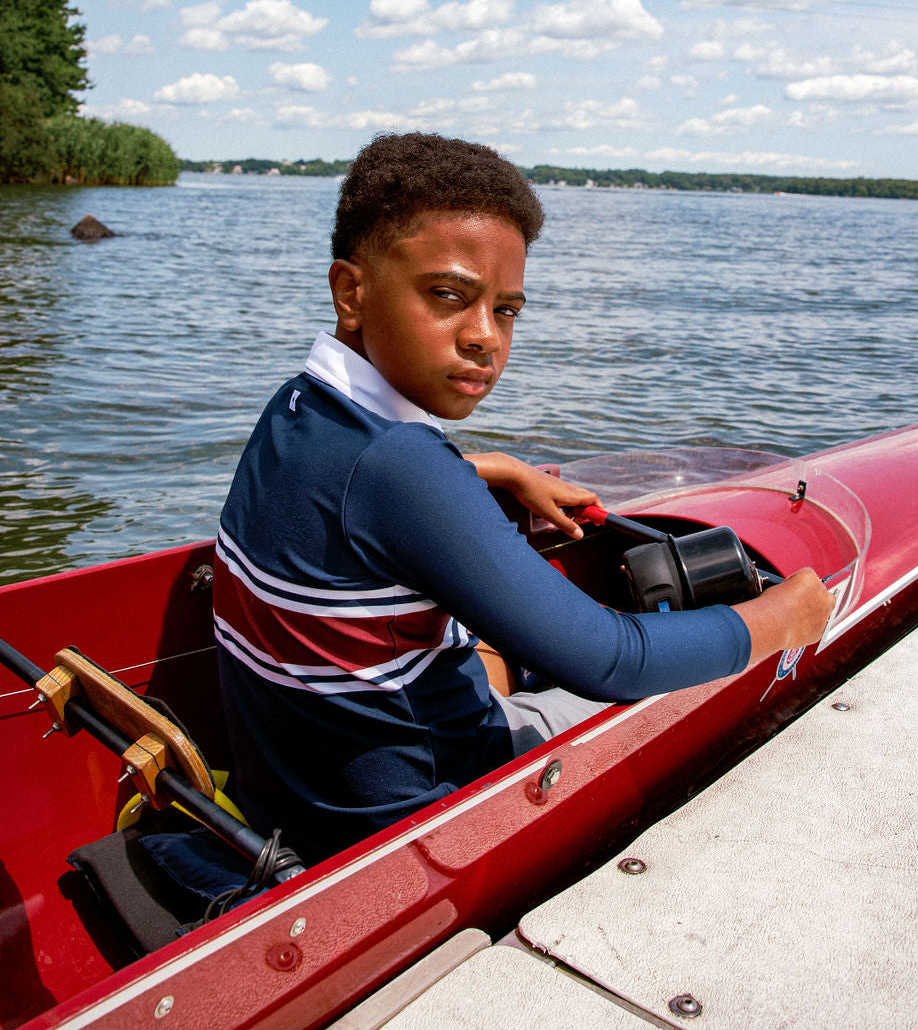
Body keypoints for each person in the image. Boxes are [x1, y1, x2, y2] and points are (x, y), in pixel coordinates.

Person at [213, 132, 833, 864]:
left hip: (303, 800)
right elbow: (612, 661)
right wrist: (782, 617)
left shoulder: (299, 408)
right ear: (352, 291)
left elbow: (350, 493)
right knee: (688, 671)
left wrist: (494, 466)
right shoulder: (403, 466)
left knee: (496, 646)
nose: (484, 338)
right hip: (422, 817)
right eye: (448, 296)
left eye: (507, 310)